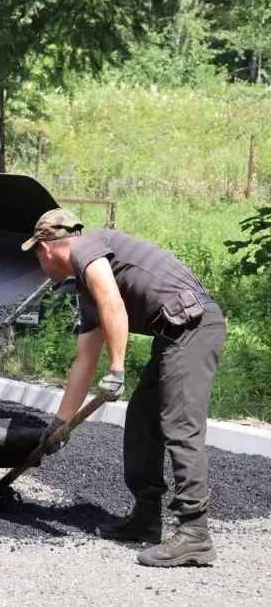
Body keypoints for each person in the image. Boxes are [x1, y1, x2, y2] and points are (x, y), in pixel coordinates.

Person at [21, 208, 227, 567]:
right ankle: (146, 518)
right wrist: (60, 425)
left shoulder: (87, 249)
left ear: (45, 249)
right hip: (173, 334)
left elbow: (115, 305)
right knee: (142, 421)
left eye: (37, 257)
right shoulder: (88, 286)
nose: (40, 266)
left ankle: (195, 532)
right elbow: (84, 360)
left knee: (180, 426)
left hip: (195, 327)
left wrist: (116, 370)